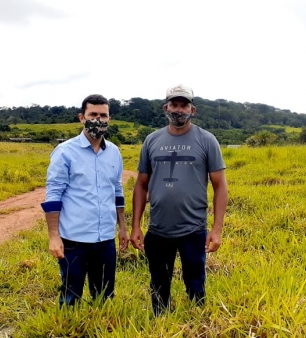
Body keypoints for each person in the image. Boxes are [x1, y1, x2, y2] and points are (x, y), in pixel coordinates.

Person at [130, 84, 228, 315]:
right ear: (166, 107)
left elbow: (220, 186)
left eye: (184, 105)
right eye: (174, 104)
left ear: (193, 110)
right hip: (158, 229)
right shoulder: (152, 140)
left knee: (195, 282)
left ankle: (197, 321)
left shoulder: (207, 140)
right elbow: (141, 185)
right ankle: (160, 323)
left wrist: (216, 229)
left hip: (193, 230)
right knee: (158, 284)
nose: (179, 110)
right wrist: (135, 225)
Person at [42, 94, 128, 306]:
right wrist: (54, 236)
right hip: (74, 239)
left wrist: (123, 228)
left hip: (105, 238)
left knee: (105, 296)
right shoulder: (65, 152)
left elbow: (117, 190)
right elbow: (54, 194)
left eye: (103, 115)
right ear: (82, 117)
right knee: (71, 295)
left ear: (109, 119)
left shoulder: (114, 153)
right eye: (93, 114)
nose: (98, 120)